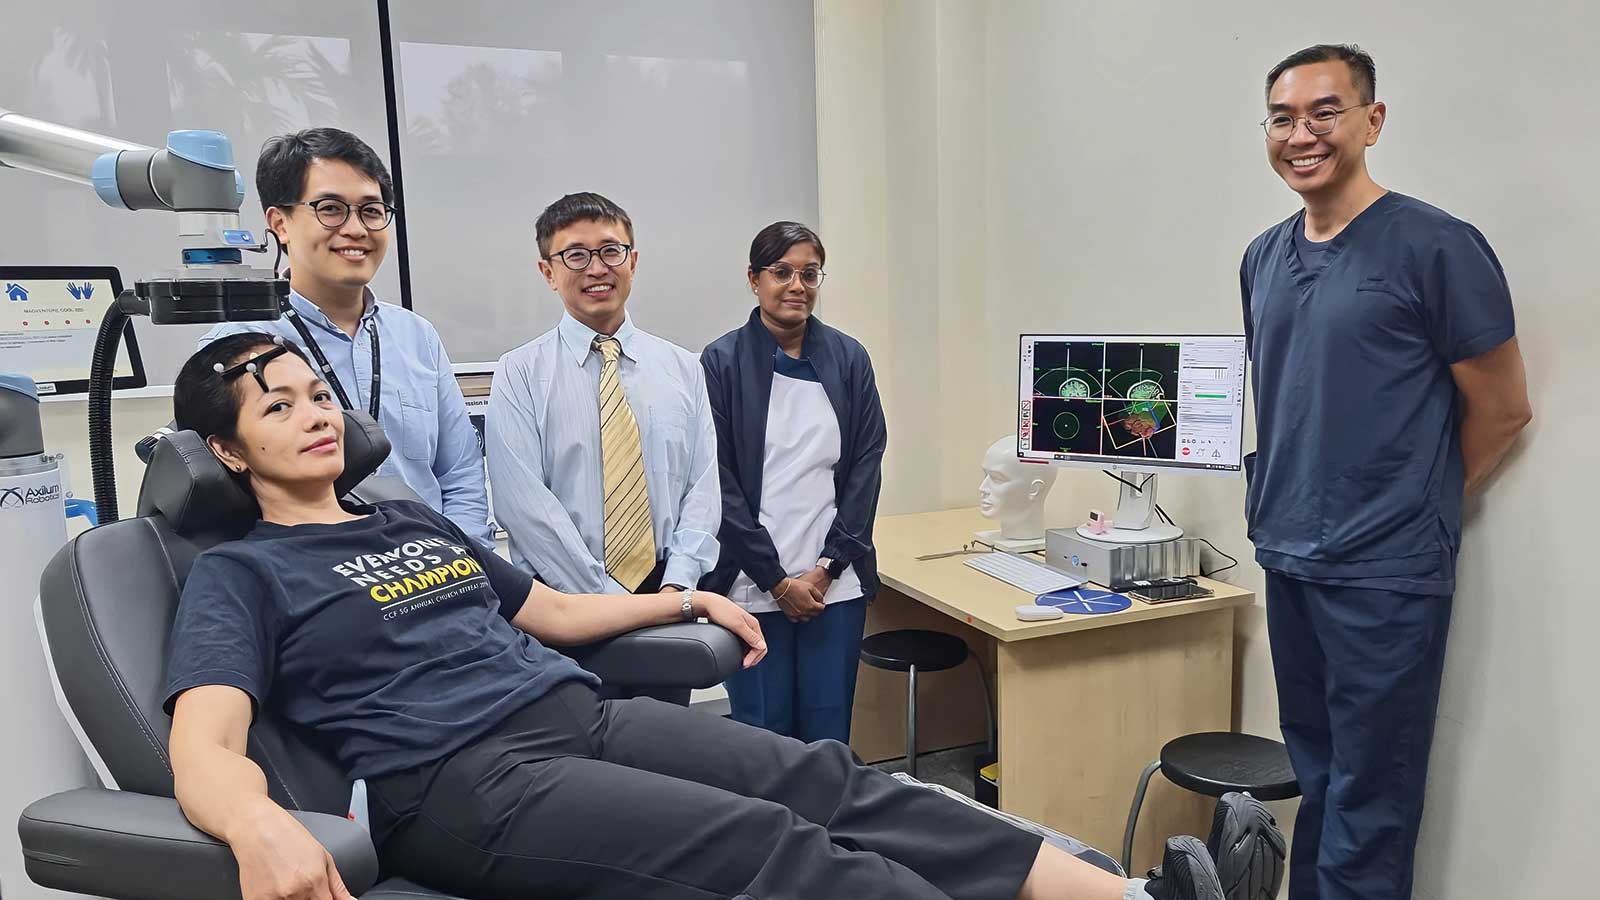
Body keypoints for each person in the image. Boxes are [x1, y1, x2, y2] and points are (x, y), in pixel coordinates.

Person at [160, 332, 1264, 900]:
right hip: (452, 783)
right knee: (770, 845)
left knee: (830, 780)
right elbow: (202, 746)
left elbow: (545, 608)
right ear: (224, 448)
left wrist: (683, 595)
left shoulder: (407, 521)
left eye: (317, 396)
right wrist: (265, 828)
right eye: (277, 406)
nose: (312, 416)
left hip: (571, 716)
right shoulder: (241, 574)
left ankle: (1124, 894)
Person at [1240, 44, 1532, 900]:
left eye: (1325, 112)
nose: (1303, 134)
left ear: (1372, 120)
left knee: (1373, 802)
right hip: (1288, 556)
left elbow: (1504, 409)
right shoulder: (1263, 256)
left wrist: (1413, 505)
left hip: (1385, 578)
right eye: (1284, 118)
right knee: (1319, 779)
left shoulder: (1435, 246)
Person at [201, 127, 492, 547]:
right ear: (279, 223)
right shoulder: (238, 344)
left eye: (371, 211)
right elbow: (230, 501)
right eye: (331, 209)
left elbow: (460, 472)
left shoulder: (416, 336)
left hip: (437, 578)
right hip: (321, 582)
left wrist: (466, 563)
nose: (356, 229)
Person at [700, 221, 885, 744]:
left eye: (809, 273)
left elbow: (866, 466)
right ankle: (770, 830)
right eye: (781, 272)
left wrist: (827, 570)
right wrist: (777, 582)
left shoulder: (849, 359)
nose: (796, 285)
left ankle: (827, 828)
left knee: (829, 735)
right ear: (754, 279)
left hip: (834, 583)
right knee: (764, 736)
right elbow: (717, 482)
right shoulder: (721, 362)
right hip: (750, 584)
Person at [486, 192, 720, 598]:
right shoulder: (519, 372)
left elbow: (703, 488)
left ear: (632, 261)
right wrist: (610, 602)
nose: (597, 268)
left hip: (672, 590)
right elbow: (523, 507)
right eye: (576, 256)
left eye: (611, 251)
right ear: (548, 272)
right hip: (565, 598)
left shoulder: (684, 368)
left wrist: (677, 582)